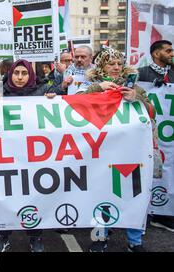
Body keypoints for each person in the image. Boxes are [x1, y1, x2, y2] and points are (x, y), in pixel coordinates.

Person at [78, 48, 153, 252]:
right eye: (111, 63)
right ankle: (100, 239)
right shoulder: (91, 85)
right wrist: (96, 88)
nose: (116, 67)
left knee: (133, 193)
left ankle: (135, 241)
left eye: (119, 63)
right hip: (101, 151)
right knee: (100, 193)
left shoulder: (133, 86)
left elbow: (151, 112)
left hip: (130, 152)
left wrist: (136, 98)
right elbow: (74, 105)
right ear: (102, 65)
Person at [0, 59, 58, 253]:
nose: (20, 77)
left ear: (31, 75)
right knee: (5, 195)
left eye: (24, 73)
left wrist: (55, 98)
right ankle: (2, 236)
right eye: (16, 73)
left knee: (33, 195)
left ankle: (35, 236)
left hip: (33, 157)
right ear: (10, 74)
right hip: (5, 157)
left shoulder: (44, 90)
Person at [138, 40, 174, 232]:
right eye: (168, 50)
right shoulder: (141, 73)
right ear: (155, 53)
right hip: (149, 132)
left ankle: (164, 213)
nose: (171, 53)